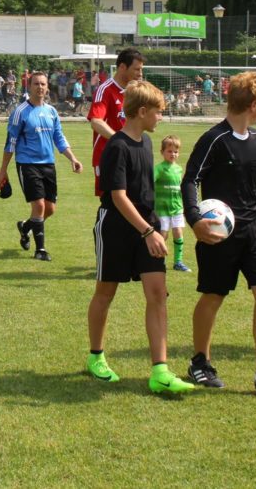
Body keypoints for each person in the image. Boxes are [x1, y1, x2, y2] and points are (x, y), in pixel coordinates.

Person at [181, 71, 256, 398]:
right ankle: (200, 363)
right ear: (253, 104)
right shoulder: (214, 139)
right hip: (218, 234)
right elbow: (190, 181)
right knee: (214, 295)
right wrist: (195, 220)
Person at [86, 81, 195, 394]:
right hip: (116, 228)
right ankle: (96, 357)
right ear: (143, 111)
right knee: (106, 292)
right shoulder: (117, 146)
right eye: (159, 112)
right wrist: (147, 231)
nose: (162, 117)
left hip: (146, 227)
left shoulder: (147, 143)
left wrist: (154, 226)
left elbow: (145, 192)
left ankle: (160, 370)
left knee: (158, 293)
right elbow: (118, 196)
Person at [0, 71, 83, 262]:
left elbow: (59, 138)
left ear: (47, 87)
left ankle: (25, 226)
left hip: (48, 164)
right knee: (39, 205)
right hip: (27, 164)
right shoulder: (20, 112)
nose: (40, 87)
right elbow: (10, 142)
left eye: (43, 84)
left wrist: (73, 158)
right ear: (30, 86)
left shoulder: (51, 112)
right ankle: (40, 249)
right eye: (36, 84)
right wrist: (3, 170)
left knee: (50, 209)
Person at [88, 48, 144, 197]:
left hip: (130, 155)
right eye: (136, 69)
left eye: (141, 70)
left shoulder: (135, 92)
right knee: (111, 203)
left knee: (133, 201)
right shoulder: (105, 90)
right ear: (122, 67)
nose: (140, 74)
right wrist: (121, 141)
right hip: (108, 156)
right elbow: (96, 121)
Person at [153, 135, 191, 272]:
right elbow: (150, 182)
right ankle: (159, 261)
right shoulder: (159, 168)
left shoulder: (179, 169)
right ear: (162, 152)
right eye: (169, 151)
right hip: (162, 208)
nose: (173, 154)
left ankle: (178, 262)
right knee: (163, 233)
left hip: (177, 207)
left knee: (178, 232)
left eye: (175, 151)